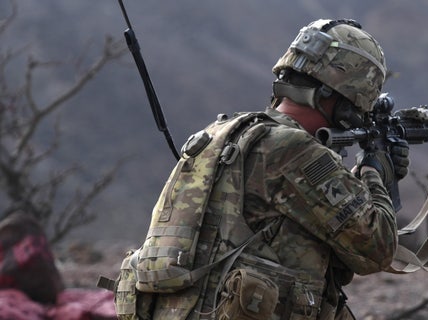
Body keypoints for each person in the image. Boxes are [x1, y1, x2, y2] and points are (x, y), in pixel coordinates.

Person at [121, 18, 410, 320]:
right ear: (349, 99)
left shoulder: (222, 133)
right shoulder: (293, 149)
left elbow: (310, 220)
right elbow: (375, 248)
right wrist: (375, 172)